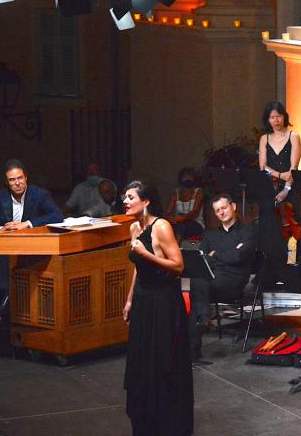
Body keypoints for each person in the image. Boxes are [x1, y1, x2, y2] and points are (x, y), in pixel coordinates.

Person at [121, 180, 193, 436]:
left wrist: (146, 253)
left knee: (162, 361)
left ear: (146, 201)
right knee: (143, 361)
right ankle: (146, 421)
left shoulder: (161, 226)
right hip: (143, 299)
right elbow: (137, 269)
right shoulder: (133, 227)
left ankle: (168, 422)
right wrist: (129, 299)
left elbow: (178, 266)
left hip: (164, 301)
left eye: (131, 197)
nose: (126, 202)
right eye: (125, 197)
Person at [0, 159, 63, 306]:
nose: (17, 183)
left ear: (26, 178)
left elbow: (57, 215)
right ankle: (5, 300)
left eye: (20, 178)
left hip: (31, 245)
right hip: (6, 246)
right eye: (12, 180)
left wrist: (28, 224)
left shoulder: (39, 194)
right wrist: (2, 229)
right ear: (7, 183)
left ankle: (29, 302)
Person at [189, 193, 256, 358]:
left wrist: (216, 254)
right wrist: (227, 254)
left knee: (197, 290)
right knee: (195, 284)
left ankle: (197, 338)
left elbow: (239, 257)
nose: (221, 212)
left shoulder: (248, 232)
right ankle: (203, 320)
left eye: (224, 208)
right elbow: (203, 259)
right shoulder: (210, 234)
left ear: (233, 207)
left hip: (234, 282)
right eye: (217, 210)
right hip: (212, 279)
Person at [257, 101, 301, 271]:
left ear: (284, 116)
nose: (276, 120)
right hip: (269, 189)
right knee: (270, 229)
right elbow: (263, 167)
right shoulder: (264, 138)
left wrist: (286, 189)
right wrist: (280, 175)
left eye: (278, 116)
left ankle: (291, 271)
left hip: (290, 189)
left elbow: (293, 169)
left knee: (291, 229)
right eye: (272, 117)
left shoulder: (294, 136)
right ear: (268, 120)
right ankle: (270, 271)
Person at [166, 167, 205, 242]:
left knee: (181, 226)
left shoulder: (199, 192)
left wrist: (182, 218)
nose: (188, 179)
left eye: (190, 177)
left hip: (196, 224)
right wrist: (171, 218)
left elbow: (195, 212)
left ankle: (175, 248)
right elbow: (168, 212)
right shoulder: (175, 193)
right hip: (178, 221)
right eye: (185, 177)